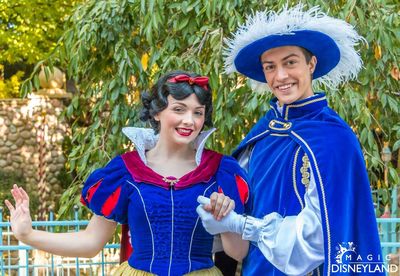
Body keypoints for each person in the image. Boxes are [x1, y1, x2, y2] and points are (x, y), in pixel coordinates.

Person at [196, 5, 384, 276]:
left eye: (290, 62)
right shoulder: (259, 138)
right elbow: (238, 246)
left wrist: (242, 225)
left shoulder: (334, 139)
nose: (280, 76)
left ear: (311, 64)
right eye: (270, 67)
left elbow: (318, 238)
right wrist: (222, 218)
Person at [5, 70, 249, 276]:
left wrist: (225, 220)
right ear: (156, 113)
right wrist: (28, 234)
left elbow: (238, 252)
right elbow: (91, 243)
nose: (189, 120)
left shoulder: (221, 171)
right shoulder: (125, 172)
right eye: (179, 109)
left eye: (198, 112)